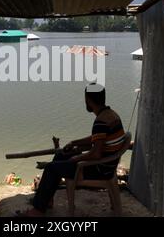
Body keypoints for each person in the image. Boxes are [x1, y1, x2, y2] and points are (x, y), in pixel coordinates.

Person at [20, 83, 131, 216]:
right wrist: (74, 143)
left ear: (89, 100)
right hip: (107, 165)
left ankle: (37, 211)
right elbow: (97, 139)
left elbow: (95, 154)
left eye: (85, 99)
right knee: (61, 156)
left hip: (99, 170)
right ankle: (46, 200)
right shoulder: (111, 115)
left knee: (51, 168)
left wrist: (77, 158)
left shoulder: (100, 122)